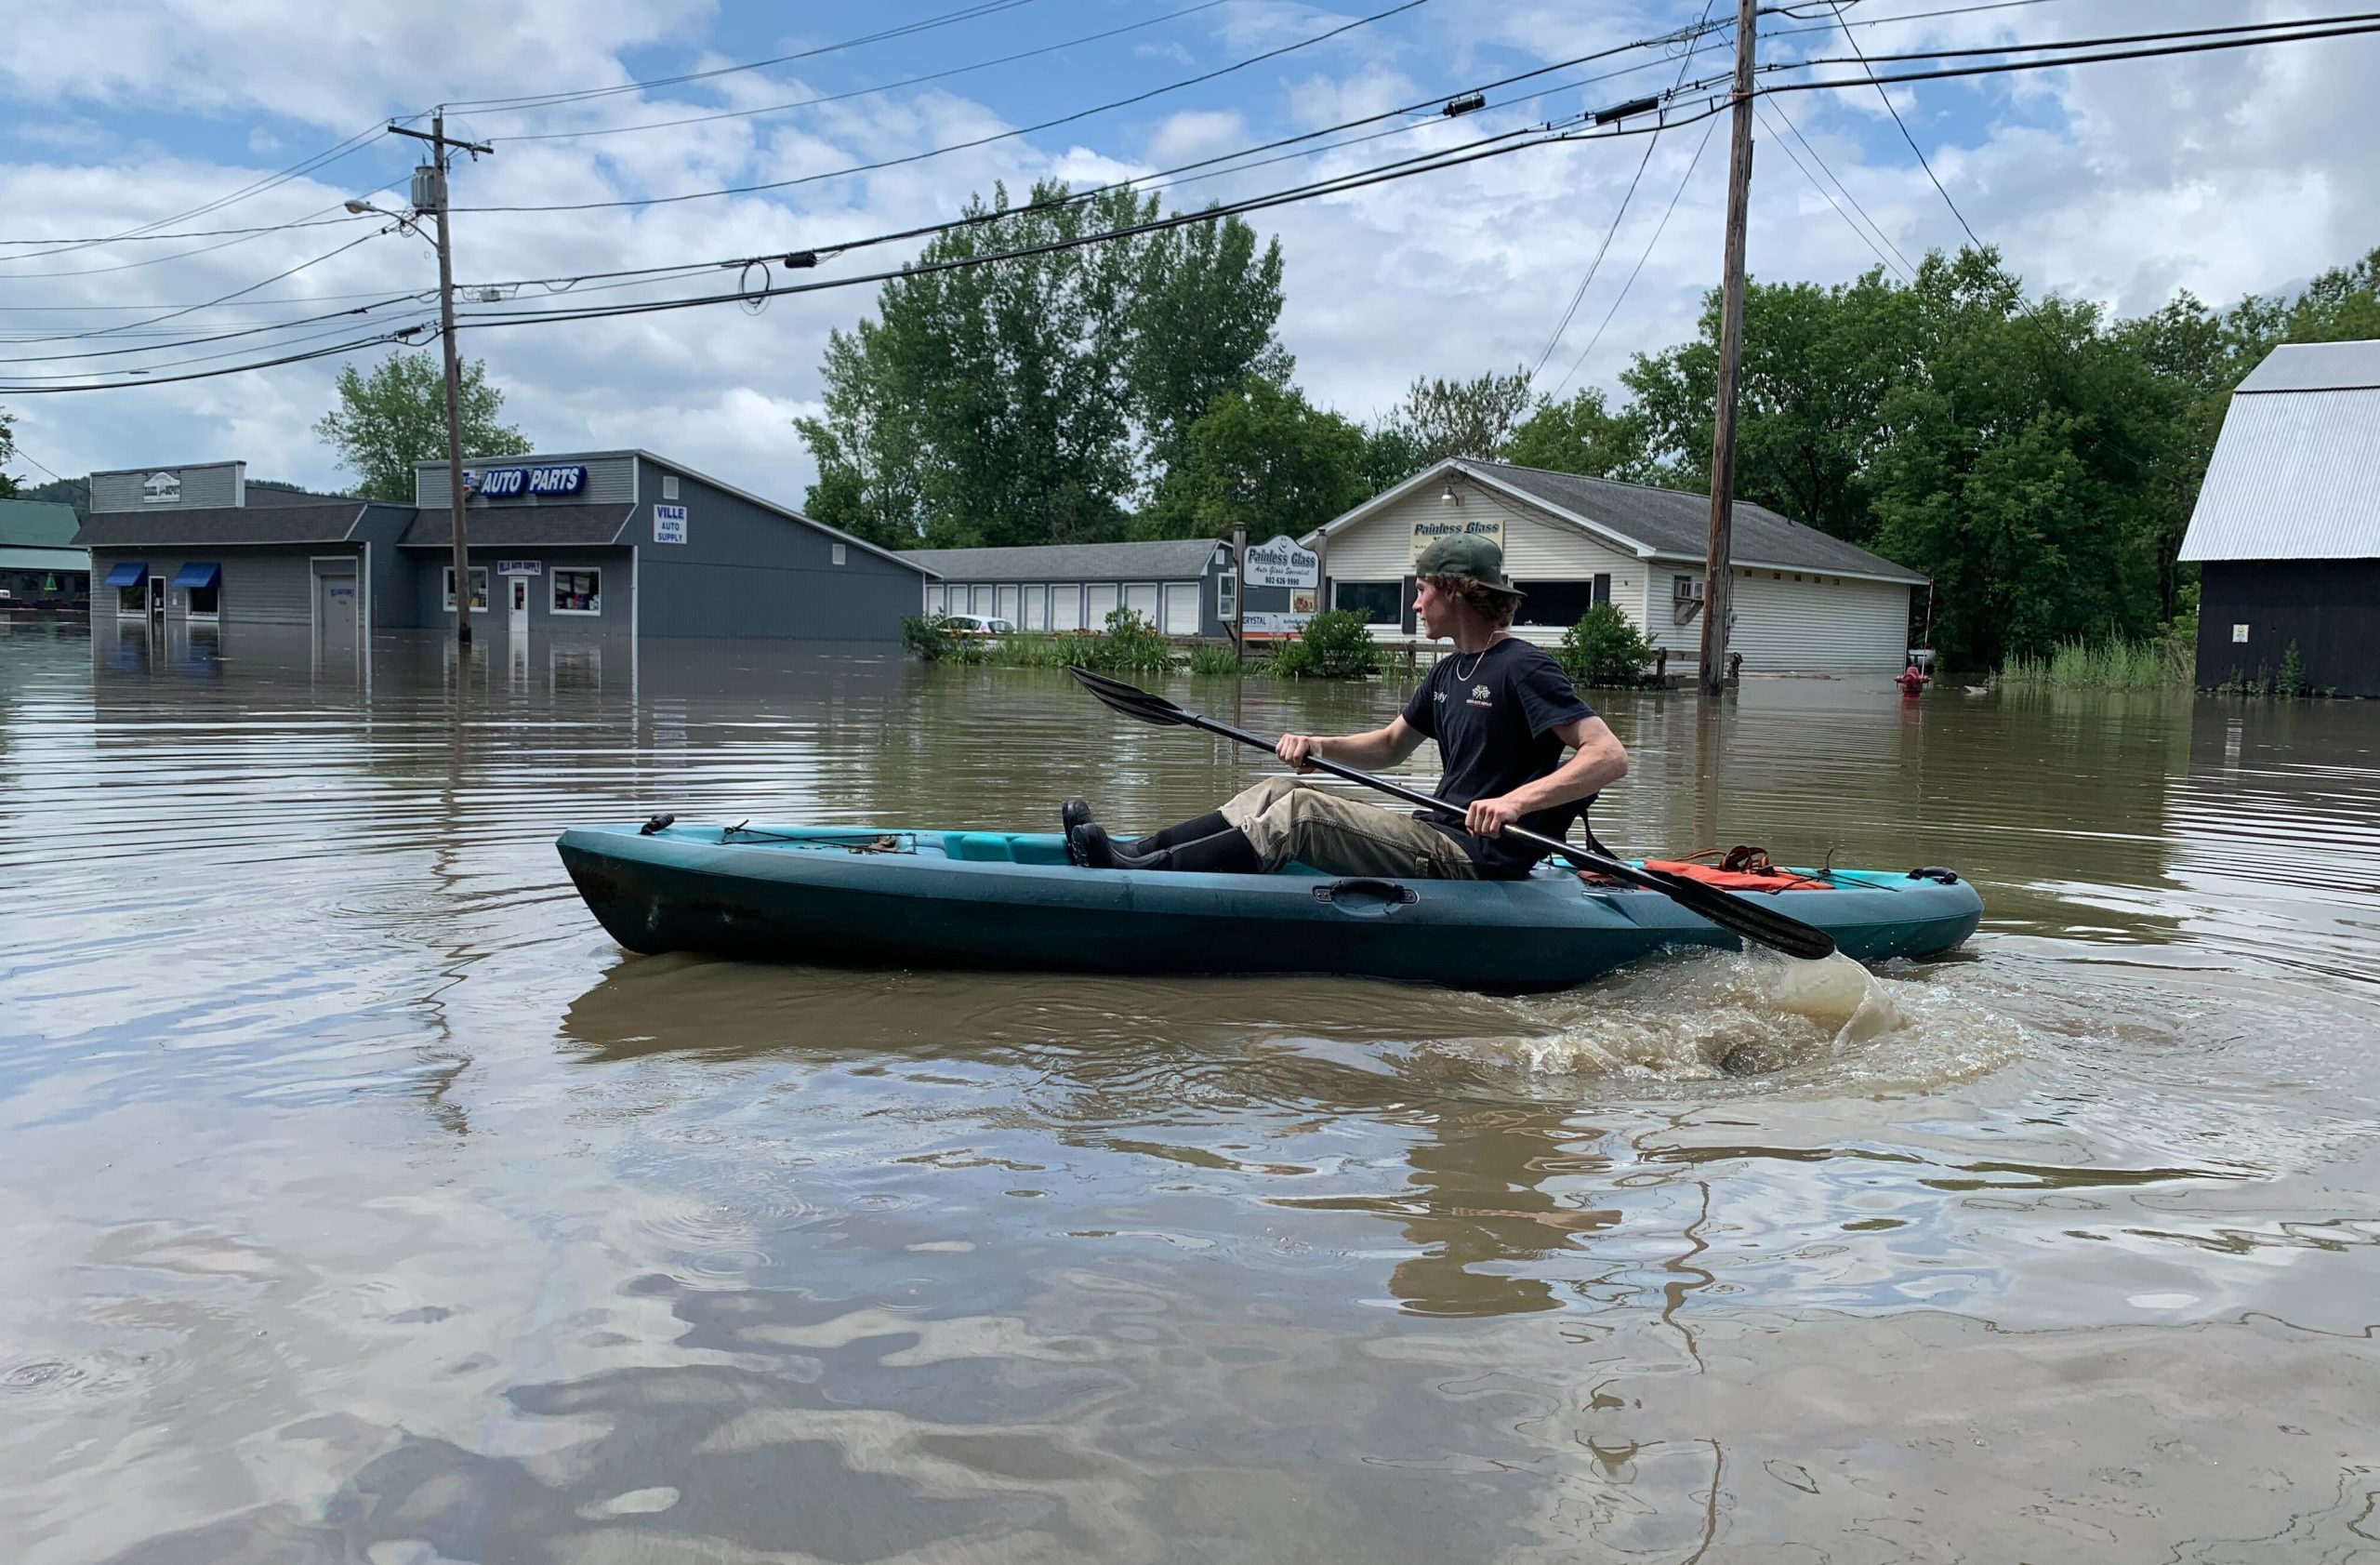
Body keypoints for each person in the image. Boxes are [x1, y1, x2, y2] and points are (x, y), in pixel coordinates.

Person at [1066, 535, 1630, 879]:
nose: (1414, 602)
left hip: (1474, 856)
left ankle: (1146, 876)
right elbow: (1388, 745)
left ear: (1456, 591)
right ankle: (1136, 851)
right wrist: (1316, 746)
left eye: (1422, 589)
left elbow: (1607, 756)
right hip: (1434, 832)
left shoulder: (1524, 667)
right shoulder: (1448, 669)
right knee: (1276, 790)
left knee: (1303, 814)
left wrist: (1514, 802)